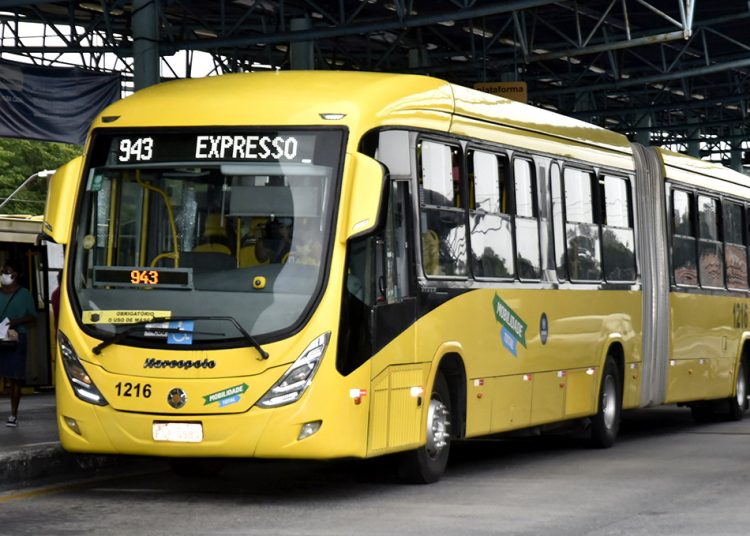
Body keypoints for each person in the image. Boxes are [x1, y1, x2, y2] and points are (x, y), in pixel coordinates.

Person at [0, 261, 37, 427]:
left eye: (6, 272)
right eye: (2, 272)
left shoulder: (24, 294)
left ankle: (13, 414)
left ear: (15, 275)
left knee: (16, 377)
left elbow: (32, 317)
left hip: (17, 339)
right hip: (0, 337)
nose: (3, 275)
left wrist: (16, 322)